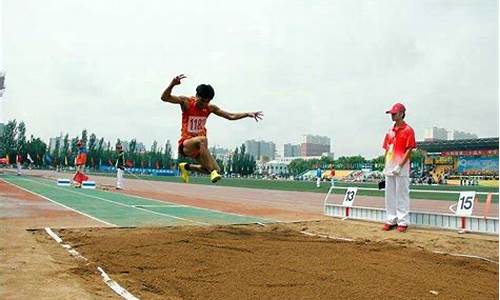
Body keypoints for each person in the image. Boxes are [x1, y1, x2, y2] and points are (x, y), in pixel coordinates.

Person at [161, 74, 263, 183]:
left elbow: (230, 116)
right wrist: (172, 85)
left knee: (217, 170)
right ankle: (212, 172)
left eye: (207, 101)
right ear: (197, 96)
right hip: (186, 144)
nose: (205, 104)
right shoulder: (186, 102)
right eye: (202, 101)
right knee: (203, 140)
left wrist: (247, 114)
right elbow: (164, 98)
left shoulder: (209, 108)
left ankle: (186, 167)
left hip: (199, 148)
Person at [381, 102, 416, 233]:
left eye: (394, 114)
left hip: (401, 167)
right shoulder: (390, 131)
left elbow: (409, 149)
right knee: (389, 195)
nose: (392, 116)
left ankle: (403, 221)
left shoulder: (408, 130)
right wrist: (385, 165)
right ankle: (391, 219)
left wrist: (400, 165)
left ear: (402, 114)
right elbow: (386, 149)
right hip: (390, 166)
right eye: (391, 114)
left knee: (401, 195)